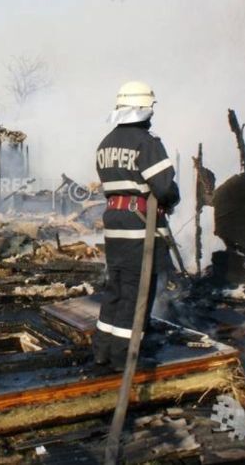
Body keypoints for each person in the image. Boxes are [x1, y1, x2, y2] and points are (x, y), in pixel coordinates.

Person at [92, 81, 180, 370]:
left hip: (114, 225)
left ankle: (102, 351)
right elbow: (165, 187)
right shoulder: (147, 143)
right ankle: (125, 358)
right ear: (143, 109)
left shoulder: (105, 143)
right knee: (137, 291)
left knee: (115, 288)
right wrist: (172, 198)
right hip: (138, 226)